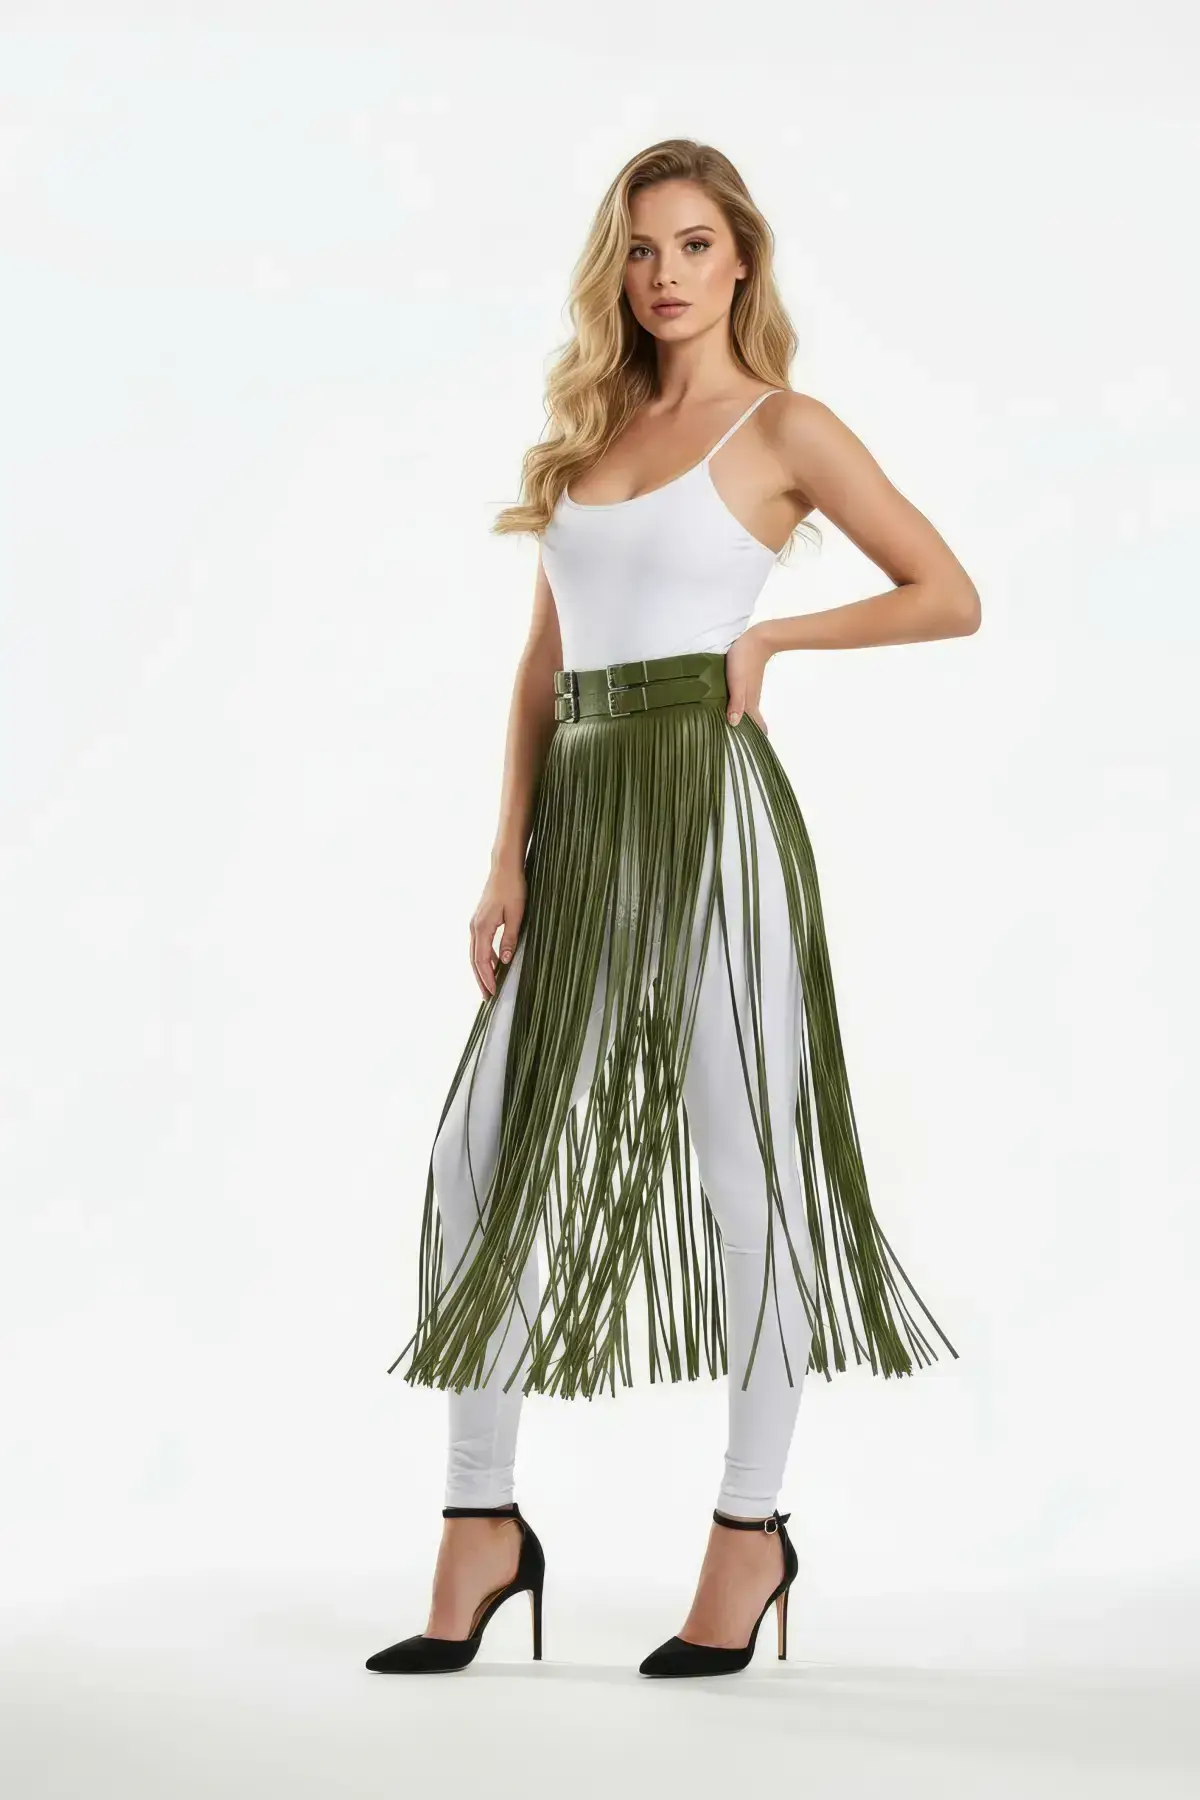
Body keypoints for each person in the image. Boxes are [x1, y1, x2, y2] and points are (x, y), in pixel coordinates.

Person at [367, 137, 979, 1680]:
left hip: (712, 818)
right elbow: (541, 667)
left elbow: (947, 591)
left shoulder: (785, 428)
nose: (665, 275)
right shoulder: (589, 432)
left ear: (741, 259)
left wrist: (770, 645)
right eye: (641, 249)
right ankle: (480, 1520)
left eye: (694, 245)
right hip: (582, 824)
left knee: (744, 1174)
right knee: (476, 1159)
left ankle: (748, 1529)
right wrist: (505, 858)